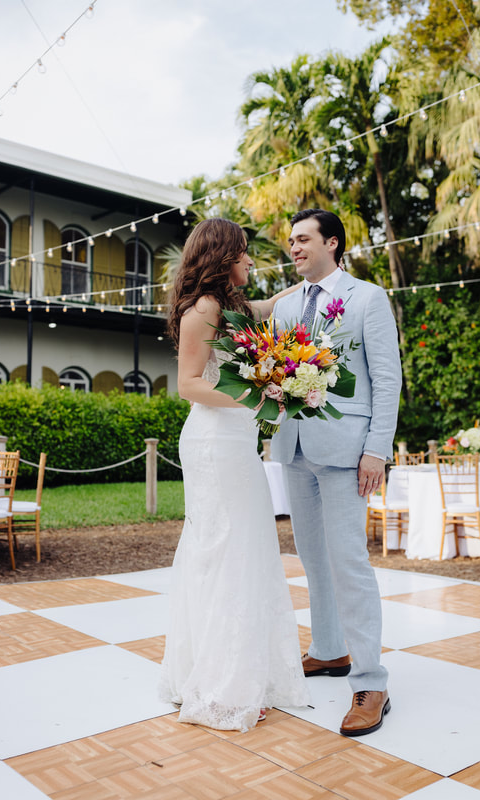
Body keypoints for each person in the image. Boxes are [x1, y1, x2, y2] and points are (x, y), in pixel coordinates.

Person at [159, 217, 310, 732]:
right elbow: (187, 385)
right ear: (223, 257)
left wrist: (309, 284)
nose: (251, 260)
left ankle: (235, 670)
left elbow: (269, 308)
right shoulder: (203, 309)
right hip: (215, 442)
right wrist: (259, 396)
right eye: (244, 252)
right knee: (228, 549)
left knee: (243, 548)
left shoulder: (236, 308)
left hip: (237, 441)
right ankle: (223, 687)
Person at [271, 208, 402, 737]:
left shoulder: (368, 297)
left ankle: (371, 681)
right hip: (294, 447)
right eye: (291, 241)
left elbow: (386, 379)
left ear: (332, 242)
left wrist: (377, 449)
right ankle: (328, 651)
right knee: (311, 557)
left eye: (302, 239)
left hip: (349, 451)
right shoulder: (283, 306)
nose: (293, 248)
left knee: (349, 561)